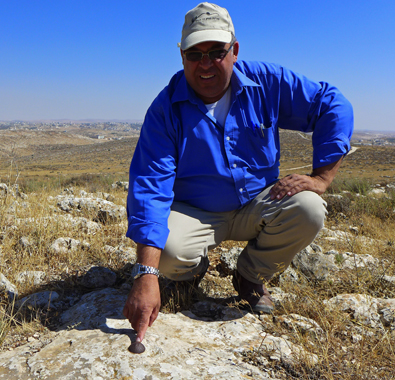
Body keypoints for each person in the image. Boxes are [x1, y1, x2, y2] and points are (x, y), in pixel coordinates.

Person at [122, 2, 354, 343]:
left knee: (309, 209)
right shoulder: (165, 109)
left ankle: (249, 275)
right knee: (168, 254)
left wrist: (321, 177)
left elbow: (332, 104)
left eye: (216, 52)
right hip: (197, 212)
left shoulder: (268, 83)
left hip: (258, 202)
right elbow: (150, 186)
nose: (205, 64)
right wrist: (146, 274)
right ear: (181, 55)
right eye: (194, 54)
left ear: (235, 50)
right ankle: (191, 270)